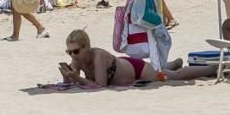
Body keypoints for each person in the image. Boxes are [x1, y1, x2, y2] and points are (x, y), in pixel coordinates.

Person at [59, 29, 215, 87]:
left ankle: (211, 68)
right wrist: (67, 76)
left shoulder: (97, 56)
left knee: (172, 77)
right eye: (69, 52)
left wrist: (77, 78)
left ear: (86, 47)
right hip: (124, 65)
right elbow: (70, 84)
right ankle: (172, 63)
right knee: (163, 71)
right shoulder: (77, 59)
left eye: (76, 51)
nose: (73, 55)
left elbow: (100, 85)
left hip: (136, 69)